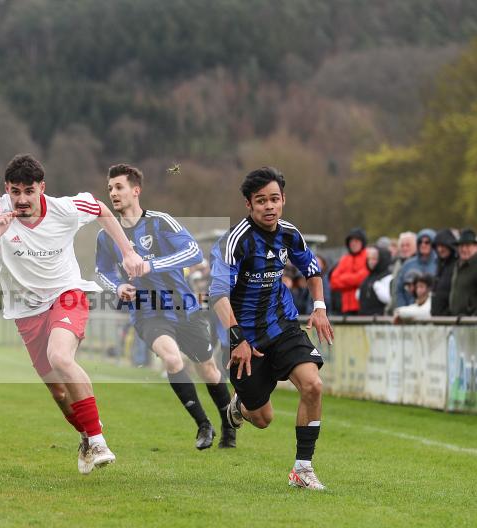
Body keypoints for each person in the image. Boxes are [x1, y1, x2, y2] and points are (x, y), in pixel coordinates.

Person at [0, 154, 144, 475]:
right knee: (59, 392)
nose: (22, 199)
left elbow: (100, 209)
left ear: (41, 188)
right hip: (26, 310)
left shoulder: (64, 209)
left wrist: (128, 251)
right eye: (15, 192)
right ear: (7, 189)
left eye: (29, 191)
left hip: (67, 293)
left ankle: (98, 440)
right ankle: (87, 437)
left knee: (60, 357)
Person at [95, 164, 237, 450]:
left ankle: (228, 426)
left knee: (208, 369)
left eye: (119, 187)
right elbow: (101, 272)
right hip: (148, 311)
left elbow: (193, 252)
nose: (113, 193)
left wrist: (150, 264)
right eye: (110, 189)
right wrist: (118, 287)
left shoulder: (160, 222)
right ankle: (202, 424)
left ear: (136, 191)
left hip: (185, 308)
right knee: (172, 360)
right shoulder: (106, 236)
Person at [209, 167, 334, 490]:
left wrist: (319, 307)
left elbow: (311, 268)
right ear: (249, 205)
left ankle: (302, 469)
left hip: (284, 326)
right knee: (263, 419)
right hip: (245, 340)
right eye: (261, 200)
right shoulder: (236, 241)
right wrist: (237, 338)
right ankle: (239, 405)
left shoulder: (290, 233)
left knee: (313, 385)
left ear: (283, 201)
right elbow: (218, 294)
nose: (269, 206)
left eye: (274, 199)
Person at [448, 229, 477, 316]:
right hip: (458, 320)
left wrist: (474, 318)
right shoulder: (458, 265)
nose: (463, 249)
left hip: (473, 324)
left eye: (467, 245)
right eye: (461, 246)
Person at [329, 228, 368, 315]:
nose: (353, 243)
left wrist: (343, 279)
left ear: (362, 242)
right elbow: (333, 281)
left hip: (362, 306)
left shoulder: (368, 256)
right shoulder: (344, 259)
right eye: (351, 241)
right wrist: (353, 279)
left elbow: (362, 278)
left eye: (357, 241)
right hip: (345, 307)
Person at [395, 228, 437, 308]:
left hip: (432, 312)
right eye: (420, 242)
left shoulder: (438, 264)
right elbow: (399, 290)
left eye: (427, 242)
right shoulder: (408, 264)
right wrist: (403, 308)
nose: (423, 244)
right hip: (409, 311)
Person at [385, 231, 417, 315]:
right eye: (402, 245)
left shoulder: (418, 264)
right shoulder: (398, 263)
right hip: (396, 311)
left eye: (408, 245)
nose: (404, 248)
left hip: (411, 313)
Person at [430, 228, 458, 316]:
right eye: (438, 246)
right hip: (438, 317)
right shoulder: (440, 266)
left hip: (449, 318)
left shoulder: (457, 266)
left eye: (443, 246)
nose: (440, 249)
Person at [357, 245, 392, 316]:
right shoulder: (368, 277)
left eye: (374, 259)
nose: (370, 262)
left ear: (382, 259)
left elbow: (388, 299)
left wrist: (376, 286)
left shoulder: (388, 277)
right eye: (369, 259)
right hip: (364, 317)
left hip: (380, 319)